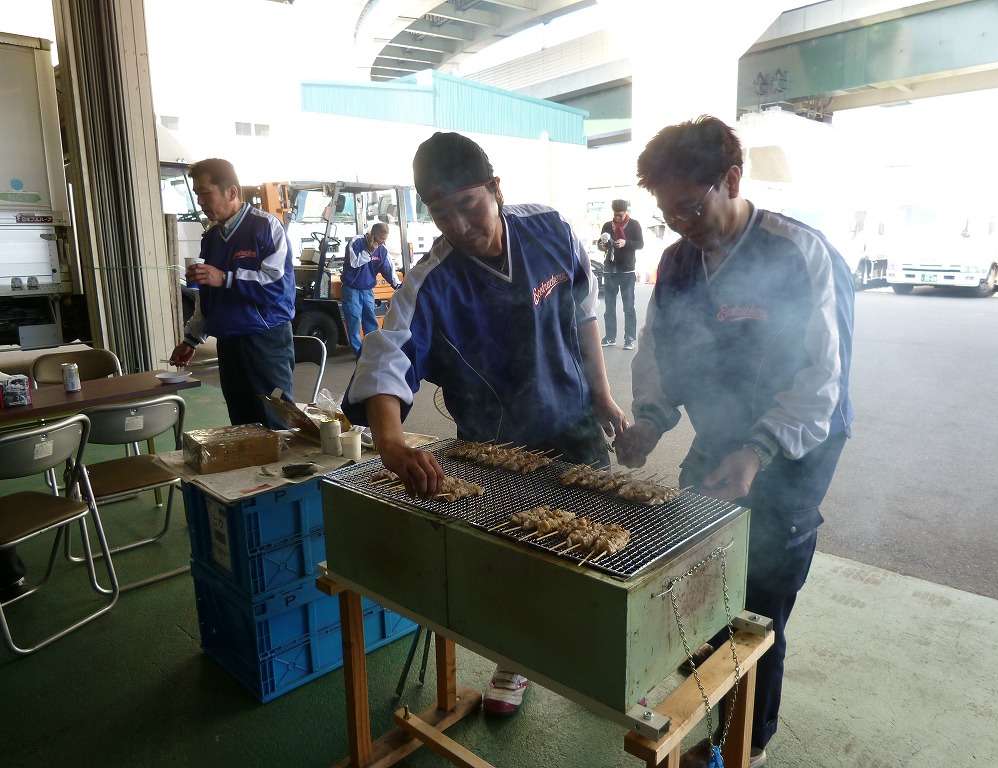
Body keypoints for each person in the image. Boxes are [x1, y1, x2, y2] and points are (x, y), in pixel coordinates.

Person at [342, 131, 628, 717]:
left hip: (571, 417)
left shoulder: (551, 229)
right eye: (440, 213)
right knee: (516, 554)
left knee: (598, 545)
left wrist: (602, 394)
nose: (459, 227)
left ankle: (598, 652)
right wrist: (392, 444)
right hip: (493, 445)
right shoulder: (432, 279)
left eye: (469, 207)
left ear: (496, 190)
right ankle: (515, 659)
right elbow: (388, 352)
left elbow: (585, 309)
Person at [615, 116, 854, 768]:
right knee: (700, 586)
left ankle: (746, 744)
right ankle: (714, 720)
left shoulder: (798, 251)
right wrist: (649, 420)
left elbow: (822, 377)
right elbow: (659, 353)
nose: (681, 223)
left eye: (690, 205)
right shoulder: (676, 262)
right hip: (719, 440)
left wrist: (757, 451)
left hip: (796, 450)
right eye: (666, 212)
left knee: (759, 608)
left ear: (732, 178)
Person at [169, 158, 296, 429]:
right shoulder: (211, 237)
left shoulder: (266, 227)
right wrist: (191, 339)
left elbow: (277, 286)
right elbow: (207, 297)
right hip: (229, 344)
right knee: (241, 423)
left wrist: (224, 278)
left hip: (264, 341)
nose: (201, 201)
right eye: (197, 195)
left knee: (277, 420)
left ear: (232, 192)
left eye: (206, 193)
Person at [340, 222, 400, 359]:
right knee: (354, 321)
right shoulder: (356, 242)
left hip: (367, 290)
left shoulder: (383, 250)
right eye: (381, 238)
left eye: (385, 239)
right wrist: (369, 251)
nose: (383, 242)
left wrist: (398, 286)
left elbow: (389, 270)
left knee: (370, 320)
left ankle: (373, 351)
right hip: (351, 289)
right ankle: (359, 354)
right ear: (372, 235)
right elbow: (354, 263)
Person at [597, 199, 643, 350]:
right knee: (609, 307)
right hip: (610, 270)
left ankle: (629, 338)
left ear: (626, 212)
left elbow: (640, 244)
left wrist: (626, 243)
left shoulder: (634, 224)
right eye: (615, 215)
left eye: (620, 215)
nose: (618, 218)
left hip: (627, 271)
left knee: (628, 307)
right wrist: (602, 245)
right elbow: (599, 244)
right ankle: (610, 336)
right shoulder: (606, 226)